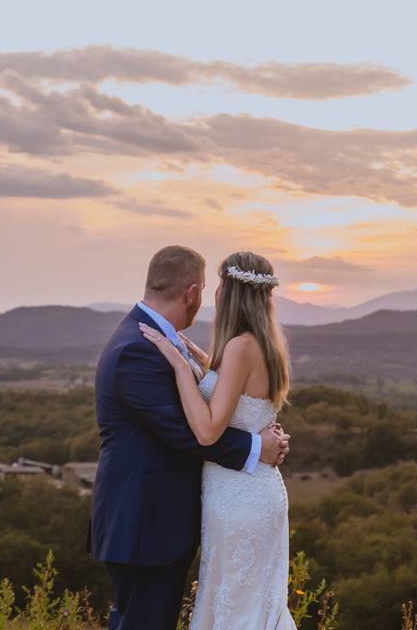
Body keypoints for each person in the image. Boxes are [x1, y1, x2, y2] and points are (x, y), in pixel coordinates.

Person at [89, 245, 291, 629]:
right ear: (193, 293)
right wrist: (256, 446)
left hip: (181, 517)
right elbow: (186, 434)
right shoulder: (138, 348)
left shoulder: (166, 340)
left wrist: (191, 368)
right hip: (144, 524)